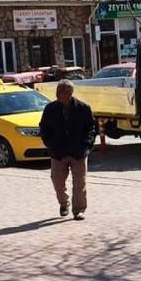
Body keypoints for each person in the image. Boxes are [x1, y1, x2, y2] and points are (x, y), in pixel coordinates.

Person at [39, 80, 95, 221]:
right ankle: (64, 203)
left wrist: (87, 144)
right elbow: (44, 128)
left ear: (69, 93)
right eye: (57, 91)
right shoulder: (50, 109)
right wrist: (50, 144)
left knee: (79, 183)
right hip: (58, 153)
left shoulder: (83, 108)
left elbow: (91, 129)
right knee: (57, 181)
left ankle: (79, 210)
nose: (57, 94)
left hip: (78, 153)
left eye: (61, 92)